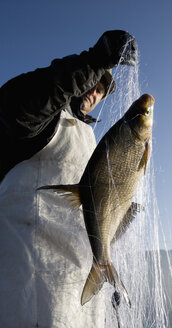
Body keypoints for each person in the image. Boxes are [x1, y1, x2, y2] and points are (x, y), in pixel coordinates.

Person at [0, 30, 136, 327]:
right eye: (94, 80)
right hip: (28, 286)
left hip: (78, 294)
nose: (95, 89)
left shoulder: (89, 140)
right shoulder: (38, 118)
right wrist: (93, 61)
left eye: (102, 88)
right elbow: (19, 102)